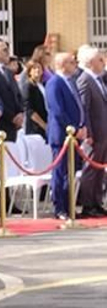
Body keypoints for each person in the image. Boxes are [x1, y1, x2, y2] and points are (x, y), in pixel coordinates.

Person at [44, 51, 87, 221]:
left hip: (74, 134)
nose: (74, 64)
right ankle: (59, 207)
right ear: (62, 65)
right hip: (62, 134)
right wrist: (74, 129)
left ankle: (70, 206)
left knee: (71, 172)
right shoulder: (54, 83)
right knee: (61, 172)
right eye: (71, 62)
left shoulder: (71, 82)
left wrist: (82, 126)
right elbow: (58, 111)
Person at [77, 49, 107, 217]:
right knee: (90, 169)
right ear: (90, 63)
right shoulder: (85, 80)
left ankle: (97, 202)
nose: (103, 63)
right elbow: (84, 108)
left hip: (103, 131)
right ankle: (88, 205)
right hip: (93, 133)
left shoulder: (99, 80)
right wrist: (87, 131)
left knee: (100, 169)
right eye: (99, 60)